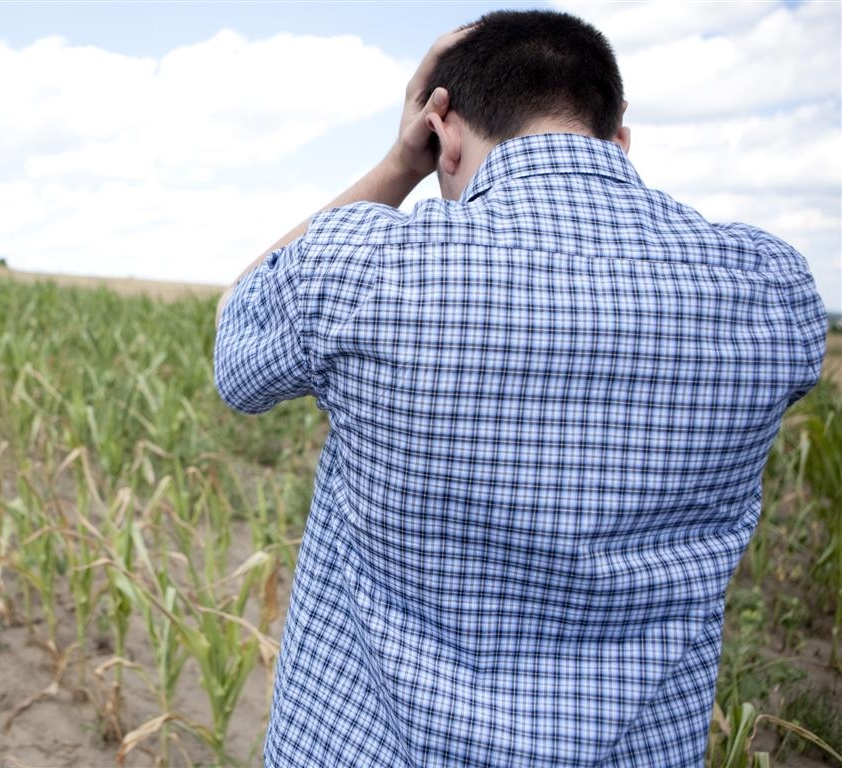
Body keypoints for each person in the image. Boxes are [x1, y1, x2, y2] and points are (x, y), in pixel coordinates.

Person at [214, 9, 827, 767]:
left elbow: (234, 336)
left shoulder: (363, 269)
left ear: (443, 132)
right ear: (619, 137)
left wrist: (398, 167)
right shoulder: (768, 290)